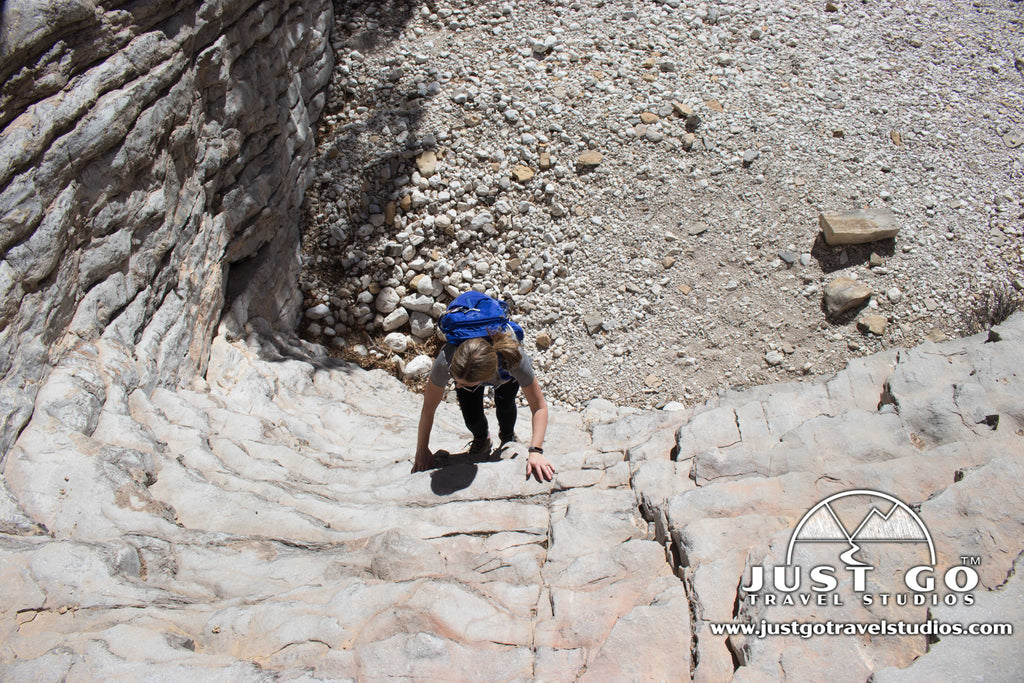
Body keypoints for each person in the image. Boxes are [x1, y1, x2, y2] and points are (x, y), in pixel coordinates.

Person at [413, 330, 555, 482]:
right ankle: (482, 439)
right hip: (478, 371)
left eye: (463, 383)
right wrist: (422, 449)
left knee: (506, 405)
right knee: (472, 418)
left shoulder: (514, 359)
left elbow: (539, 407)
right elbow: (428, 408)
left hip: (505, 375)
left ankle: (507, 436)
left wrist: (536, 451)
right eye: (456, 380)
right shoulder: (445, 361)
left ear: (487, 377)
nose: (458, 386)